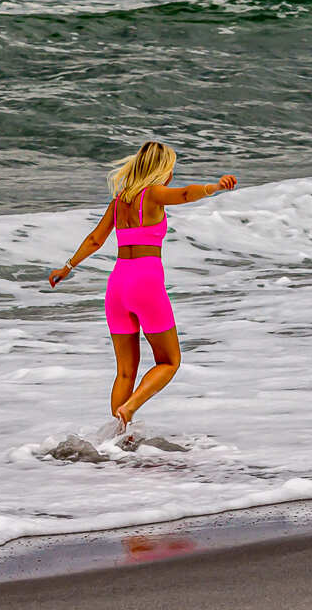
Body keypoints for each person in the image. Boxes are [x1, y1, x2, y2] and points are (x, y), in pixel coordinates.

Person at [48, 141, 237, 426]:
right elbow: (185, 194)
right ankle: (130, 409)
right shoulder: (153, 194)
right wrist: (214, 187)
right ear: (163, 170)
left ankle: (119, 437)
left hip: (117, 286)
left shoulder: (119, 200)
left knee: (125, 371)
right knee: (169, 361)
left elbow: (95, 240)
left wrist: (68, 267)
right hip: (145, 284)